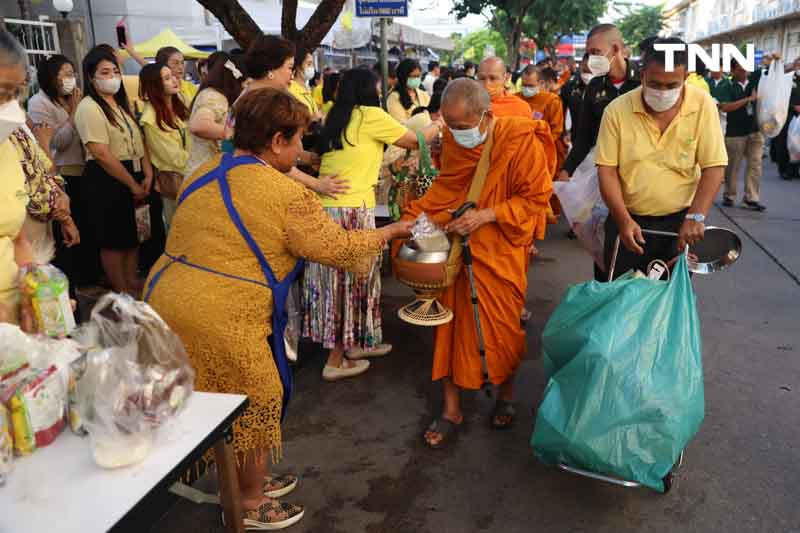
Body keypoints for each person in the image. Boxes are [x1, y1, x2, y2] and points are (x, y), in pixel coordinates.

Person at [144, 88, 412, 529]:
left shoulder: (207, 169)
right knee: (257, 398)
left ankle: (251, 479)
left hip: (165, 296)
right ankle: (249, 502)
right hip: (221, 311)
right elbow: (339, 247)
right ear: (275, 142)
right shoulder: (285, 194)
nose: (303, 150)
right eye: (299, 140)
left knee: (222, 401)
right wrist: (393, 232)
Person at [394, 79, 554, 447]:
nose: (455, 134)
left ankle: (507, 394)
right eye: (449, 125)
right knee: (448, 326)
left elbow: (536, 198)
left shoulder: (519, 139)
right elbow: (446, 189)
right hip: (455, 245)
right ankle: (451, 407)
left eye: (463, 127)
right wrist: (416, 219)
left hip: (498, 249)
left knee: (504, 325)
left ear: (485, 116)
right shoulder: (452, 140)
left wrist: (487, 216)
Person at [305, 68, 443, 380]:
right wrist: (438, 123)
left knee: (351, 281)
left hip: (330, 210)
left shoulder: (336, 116)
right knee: (349, 283)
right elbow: (413, 140)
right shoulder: (369, 115)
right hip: (351, 211)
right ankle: (335, 360)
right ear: (370, 90)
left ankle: (356, 344)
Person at [595, 38, 727, 279]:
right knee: (618, 302)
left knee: (668, 303)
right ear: (643, 74)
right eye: (655, 84)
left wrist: (696, 216)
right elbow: (607, 171)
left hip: (679, 226)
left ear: (685, 77)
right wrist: (623, 220)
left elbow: (714, 167)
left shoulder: (703, 105)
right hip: (626, 223)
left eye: (672, 85)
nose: (663, 92)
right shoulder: (616, 111)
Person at [74, 46, 154, 296]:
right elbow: (101, 153)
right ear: (91, 77)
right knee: (113, 239)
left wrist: (148, 174)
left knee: (133, 235)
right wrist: (131, 184)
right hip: (107, 178)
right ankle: (121, 291)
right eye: (104, 72)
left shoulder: (121, 104)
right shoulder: (89, 107)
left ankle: (131, 282)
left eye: (115, 71)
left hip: (135, 172)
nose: (112, 77)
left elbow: (139, 141)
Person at [241, 35, 345, 197]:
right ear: (271, 70)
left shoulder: (251, 97)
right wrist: (317, 184)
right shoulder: (261, 106)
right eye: (290, 68)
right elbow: (270, 158)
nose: (292, 75)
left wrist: (305, 157)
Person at [27, 54, 93, 284]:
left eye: (73, 73)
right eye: (65, 74)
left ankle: (89, 273)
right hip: (61, 174)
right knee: (67, 230)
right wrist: (74, 112)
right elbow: (57, 143)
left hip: (83, 169)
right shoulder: (39, 103)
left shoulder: (73, 98)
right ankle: (77, 278)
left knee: (85, 225)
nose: (71, 78)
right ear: (50, 77)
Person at [558, 24, 640, 182]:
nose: (591, 60)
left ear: (615, 49)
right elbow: (585, 135)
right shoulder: (594, 86)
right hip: (605, 168)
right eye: (589, 54)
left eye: (596, 52)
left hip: (639, 169)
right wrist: (567, 170)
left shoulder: (643, 80)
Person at [0, 29, 36, 328]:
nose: (11, 107)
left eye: (16, 94)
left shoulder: (7, 148)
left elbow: (19, 237)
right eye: (2, 93)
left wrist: (37, 292)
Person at [139, 62, 191, 231]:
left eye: (173, 76)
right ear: (155, 85)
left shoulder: (180, 103)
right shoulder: (150, 118)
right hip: (175, 180)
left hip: (193, 175)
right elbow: (172, 157)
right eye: (167, 78)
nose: (174, 80)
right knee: (181, 231)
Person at [184, 52, 244, 181]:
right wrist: (238, 134)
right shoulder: (214, 97)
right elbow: (199, 126)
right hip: (204, 174)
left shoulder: (213, 95)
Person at [717, 58, 766, 210]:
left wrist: (778, 62)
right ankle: (729, 195)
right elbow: (725, 107)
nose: (744, 72)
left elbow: (776, 72)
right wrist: (748, 99)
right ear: (732, 71)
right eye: (740, 69)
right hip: (735, 132)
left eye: (746, 68)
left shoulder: (755, 80)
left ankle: (751, 198)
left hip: (755, 130)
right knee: (733, 166)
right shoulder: (726, 85)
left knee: (755, 164)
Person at [560, 53, 592, 142]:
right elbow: (561, 111)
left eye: (591, 71)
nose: (588, 74)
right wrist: (564, 133)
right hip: (575, 137)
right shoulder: (569, 86)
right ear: (581, 65)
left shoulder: (605, 86)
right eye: (585, 70)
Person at [774, 70, 800, 180]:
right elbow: (778, 97)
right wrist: (793, 106)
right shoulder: (786, 78)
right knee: (785, 142)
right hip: (787, 114)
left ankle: (796, 169)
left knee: (798, 143)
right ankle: (784, 169)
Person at [288, 46, 321, 119]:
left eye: (312, 64)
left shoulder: (307, 90)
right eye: (309, 64)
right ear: (298, 67)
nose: (312, 68)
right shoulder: (291, 91)